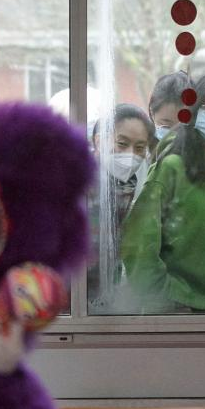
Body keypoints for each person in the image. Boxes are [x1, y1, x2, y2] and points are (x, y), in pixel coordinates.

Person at [121, 73, 205, 312]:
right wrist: (168, 300)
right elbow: (138, 244)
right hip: (181, 315)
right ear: (193, 112)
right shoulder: (171, 167)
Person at [88, 104, 154, 310]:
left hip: (107, 290)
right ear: (99, 141)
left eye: (140, 148)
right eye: (122, 143)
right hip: (71, 298)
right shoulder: (79, 180)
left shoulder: (129, 184)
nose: (131, 154)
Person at [147, 71, 193, 148]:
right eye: (166, 126)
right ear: (152, 113)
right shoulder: (139, 149)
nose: (174, 135)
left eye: (182, 128)